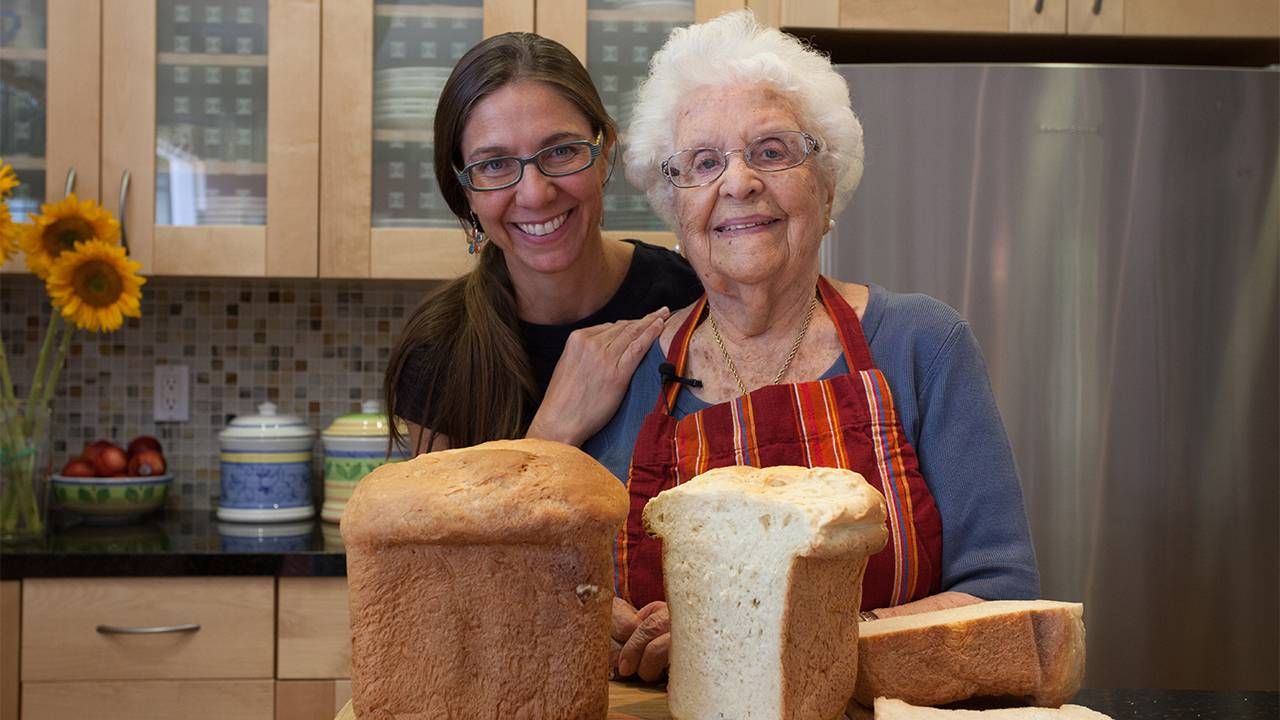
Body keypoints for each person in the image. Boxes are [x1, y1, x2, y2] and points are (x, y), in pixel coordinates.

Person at [583, 10, 1041, 682]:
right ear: (672, 205)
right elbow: (578, 601)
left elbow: (1003, 599)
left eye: (772, 151)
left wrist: (758, 638)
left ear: (826, 188)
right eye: (704, 162)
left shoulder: (922, 344)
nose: (738, 183)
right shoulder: (626, 373)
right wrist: (616, 627)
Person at [384, 33, 702, 454]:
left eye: (561, 152)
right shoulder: (438, 350)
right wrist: (554, 428)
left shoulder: (692, 299)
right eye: (494, 164)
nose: (535, 194)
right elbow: (443, 522)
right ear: (465, 190)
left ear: (604, 151)